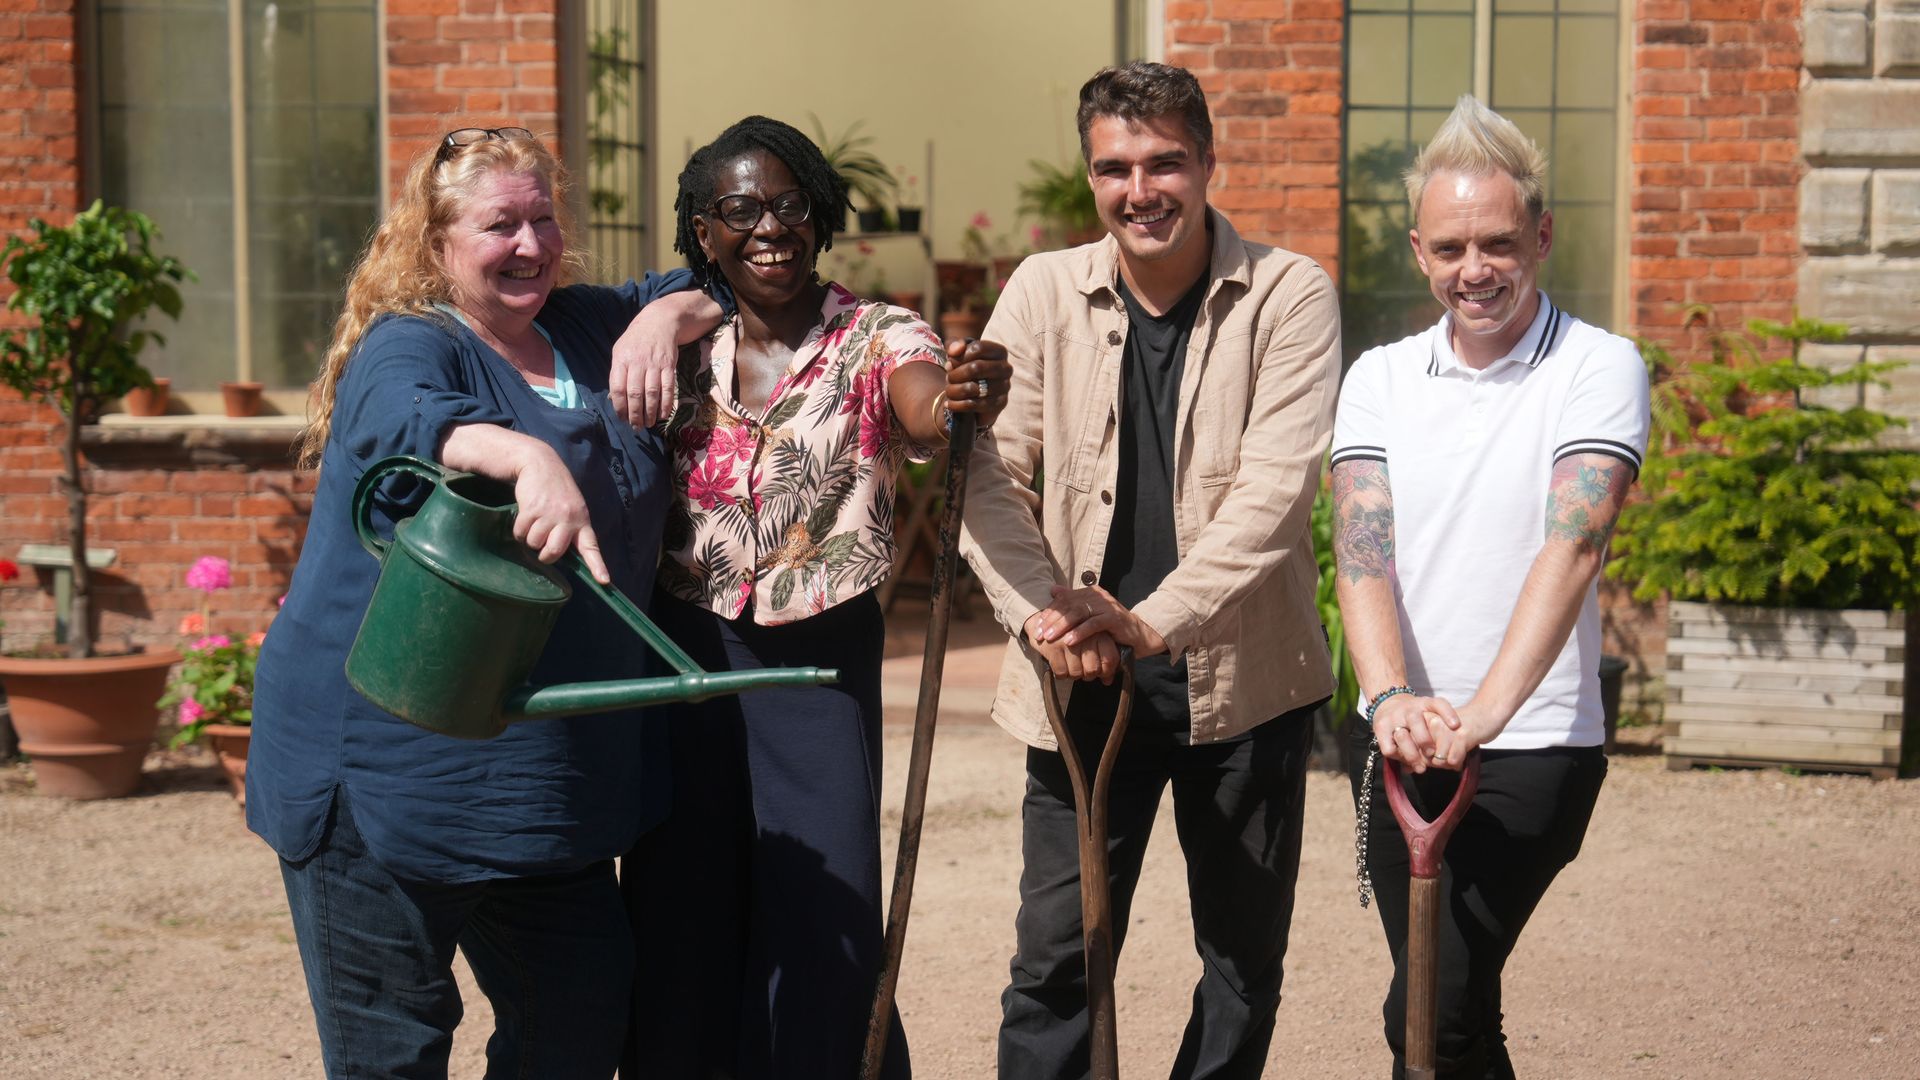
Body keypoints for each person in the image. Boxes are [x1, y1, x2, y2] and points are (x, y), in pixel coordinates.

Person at [248, 126, 723, 1078]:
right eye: (499, 225)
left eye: (543, 219)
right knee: (395, 1048)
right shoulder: (411, 344)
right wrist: (524, 453)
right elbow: (398, 421)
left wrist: (656, 323)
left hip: (544, 791)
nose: (530, 245)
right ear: (435, 245)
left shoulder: (583, 327)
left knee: (580, 1026)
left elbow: (705, 286)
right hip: (386, 774)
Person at [957, 62, 1342, 1079]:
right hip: (1078, 687)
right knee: (1056, 960)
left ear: (1209, 162)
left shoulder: (1288, 296)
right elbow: (988, 473)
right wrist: (1046, 617)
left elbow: (1273, 495)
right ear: (1092, 178)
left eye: (1166, 161)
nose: (1142, 189)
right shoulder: (1042, 291)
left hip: (1245, 687)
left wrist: (1146, 617)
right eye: (1115, 167)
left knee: (1242, 959)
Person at [621, 115, 1011, 1080]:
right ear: (704, 230)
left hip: (817, 654)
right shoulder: (675, 337)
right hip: (684, 655)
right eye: (740, 209)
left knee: (825, 899)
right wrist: (649, 319)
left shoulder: (876, 336)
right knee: (683, 893)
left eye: (788, 204)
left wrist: (959, 392)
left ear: (819, 213)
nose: (769, 228)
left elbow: (921, 403)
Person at [1330, 95, 1650, 1079]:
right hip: (1396, 736)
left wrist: (1480, 716)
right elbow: (1361, 547)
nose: (1477, 269)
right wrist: (1388, 698)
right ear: (1421, 252)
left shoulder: (1597, 367)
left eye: (1501, 243)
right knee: (1451, 1016)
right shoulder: (1380, 377)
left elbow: (1575, 544)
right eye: (1453, 247)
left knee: (1434, 1001)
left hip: (1534, 741)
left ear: (1541, 236)